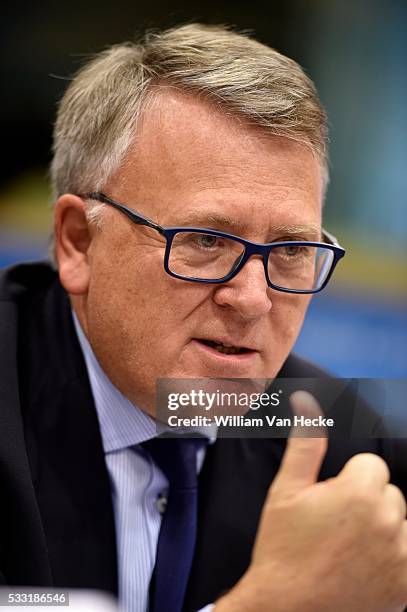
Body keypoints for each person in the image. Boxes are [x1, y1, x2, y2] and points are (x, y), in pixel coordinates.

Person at [0, 23, 406, 612]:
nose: (251, 300)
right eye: (205, 241)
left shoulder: (340, 444)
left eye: (291, 250)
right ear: (78, 243)